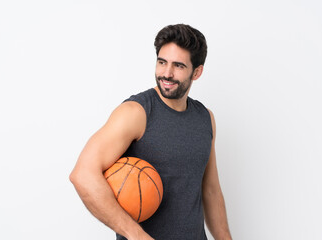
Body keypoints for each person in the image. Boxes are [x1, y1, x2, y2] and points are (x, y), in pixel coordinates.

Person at [70, 24, 232, 240]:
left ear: (197, 72)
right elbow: (83, 174)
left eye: (178, 66)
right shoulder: (136, 113)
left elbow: (211, 190)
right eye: (162, 62)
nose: (167, 73)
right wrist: (136, 235)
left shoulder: (205, 119)